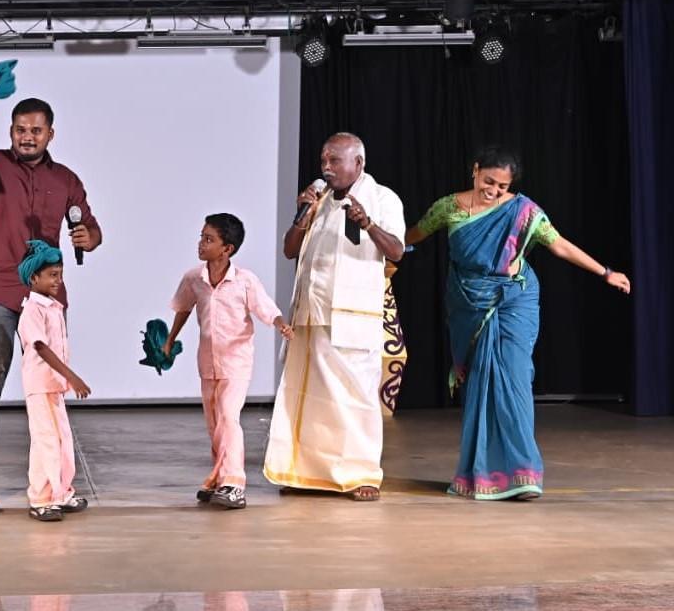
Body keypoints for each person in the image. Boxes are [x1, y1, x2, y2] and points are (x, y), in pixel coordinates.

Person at [405, 146, 631, 500]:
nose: (493, 190)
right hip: (470, 303)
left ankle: (524, 475)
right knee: (481, 383)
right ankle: (480, 474)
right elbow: (415, 233)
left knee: (514, 378)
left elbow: (559, 246)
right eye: (488, 181)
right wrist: (385, 250)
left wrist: (606, 272)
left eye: (501, 185)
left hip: (514, 300)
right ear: (475, 170)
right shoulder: (448, 207)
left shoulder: (523, 211)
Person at [0, 97, 103, 510]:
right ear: (10, 132)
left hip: (44, 298)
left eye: (35, 130)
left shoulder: (66, 178)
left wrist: (89, 237)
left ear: (50, 133)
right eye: (19, 129)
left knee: (50, 388)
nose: (26, 137)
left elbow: (89, 225)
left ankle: (55, 485)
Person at [264, 133, 405, 501]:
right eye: (323, 161)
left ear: (358, 163)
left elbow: (397, 251)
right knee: (307, 396)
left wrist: (368, 222)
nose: (325, 168)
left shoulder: (383, 198)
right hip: (311, 313)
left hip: (352, 317)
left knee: (354, 398)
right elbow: (289, 250)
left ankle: (360, 475)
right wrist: (302, 215)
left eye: (334, 161)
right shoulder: (320, 199)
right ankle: (306, 473)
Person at [163, 214, 293, 509]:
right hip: (207, 363)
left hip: (236, 362)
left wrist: (281, 324)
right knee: (214, 423)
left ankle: (234, 483)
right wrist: (170, 340)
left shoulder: (245, 281)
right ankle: (219, 479)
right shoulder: (194, 278)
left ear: (227, 249)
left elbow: (266, 308)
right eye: (201, 236)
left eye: (209, 239)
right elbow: (183, 308)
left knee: (228, 417)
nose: (201, 243)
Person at [16, 240, 92, 522]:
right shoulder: (32, 310)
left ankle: (61, 492)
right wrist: (72, 376)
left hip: (54, 386)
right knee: (45, 441)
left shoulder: (53, 307)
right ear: (34, 277)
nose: (57, 280)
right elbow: (40, 347)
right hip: (40, 385)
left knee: (61, 439)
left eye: (60, 274)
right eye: (51, 275)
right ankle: (41, 497)